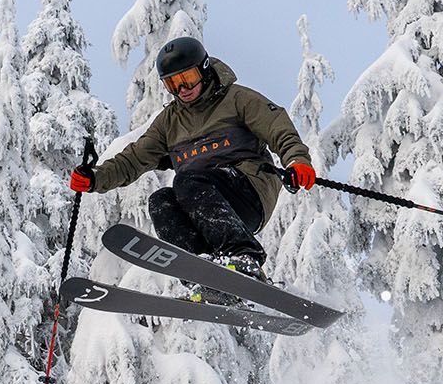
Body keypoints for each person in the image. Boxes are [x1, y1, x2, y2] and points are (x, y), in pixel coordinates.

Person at [69, 36, 316, 281]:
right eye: (172, 84)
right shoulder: (169, 122)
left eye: (187, 79)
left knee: (186, 181)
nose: (182, 90)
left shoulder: (237, 99)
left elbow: (276, 127)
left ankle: (244, 258)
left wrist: (297, 161)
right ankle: (205, 273)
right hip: (203, 203)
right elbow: (134, 159)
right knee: (160, 201)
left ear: (204, 70)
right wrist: (95, 178)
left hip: (248, 192)